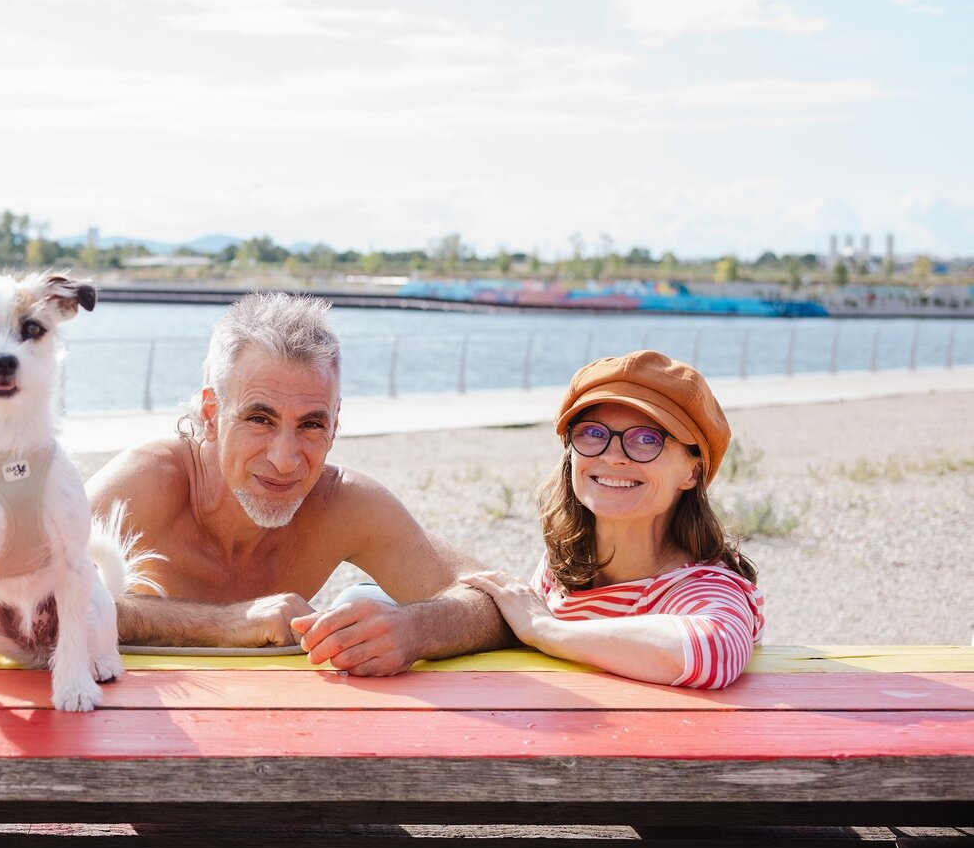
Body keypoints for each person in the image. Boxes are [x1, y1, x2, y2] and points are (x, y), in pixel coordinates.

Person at [86, 293, 508, 674]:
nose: (284, 460)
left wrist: (415, 628)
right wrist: (224, 624)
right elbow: (27, 604)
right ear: (212, 415)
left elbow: (503, 601)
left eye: (310, 425)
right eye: (259, 419)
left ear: (336, 425)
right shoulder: (147, 482)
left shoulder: (342, 503)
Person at [462, 351, 763, 689]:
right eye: (592, 433)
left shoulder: (700, 583)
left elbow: (714, 651)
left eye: (647, 439)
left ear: (692, 471)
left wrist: (545, 629)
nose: (612, 456)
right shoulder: (561, 563)